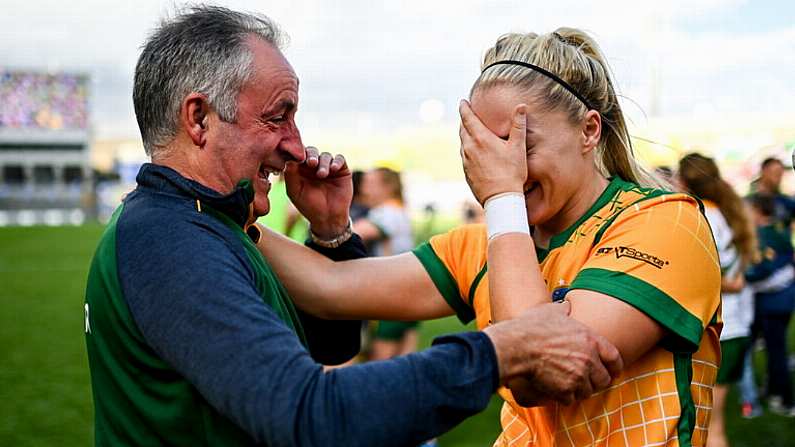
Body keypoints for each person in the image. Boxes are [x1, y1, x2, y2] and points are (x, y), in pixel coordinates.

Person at [83, 6, 622, 446]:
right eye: (278, 116)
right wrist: (499, 351)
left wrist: (331, 233)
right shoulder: (171, 238)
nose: (296, 145)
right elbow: (309, 415)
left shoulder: (209, 223)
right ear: (199, 119)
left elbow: (327, 344)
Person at [258, 28, 721, 446]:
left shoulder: (666, 224)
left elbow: (543, 369)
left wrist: (501, 197)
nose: (504, 169)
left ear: (589, 130)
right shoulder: (492, 243)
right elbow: (328, 288)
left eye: (521, 145)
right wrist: (260, 212)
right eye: (485, 151)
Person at [677, 153, 757, 447]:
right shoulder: (725, 210)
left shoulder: (701, 216)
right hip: (734, 328)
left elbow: (698, 275)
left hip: (717, 331)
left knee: (707, 429)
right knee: (711, 426)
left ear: (685, 181)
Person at [354, 167, 421, 360]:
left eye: (370, 183)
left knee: (380, 361)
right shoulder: (398, 209)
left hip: (392, 290)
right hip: (409, 286)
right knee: (405, 357)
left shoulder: (387, 212)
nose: (364, 188)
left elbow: (357, 233)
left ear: (388, 187)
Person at [746, 194, 795, 416]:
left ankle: (783, 398)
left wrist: (743, 277)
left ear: (757, 211)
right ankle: (773, 388)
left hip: (772, 302)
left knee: (776, 351)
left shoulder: (762, 235)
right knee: (776, 348)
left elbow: (761, 270)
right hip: (784, 299)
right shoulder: (779, 231)